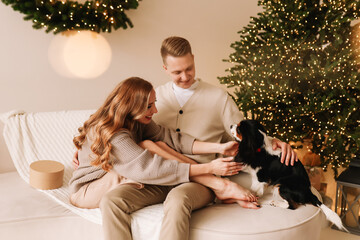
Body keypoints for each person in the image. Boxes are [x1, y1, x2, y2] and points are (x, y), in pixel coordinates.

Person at [69, 77, 258, 240]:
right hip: (90, 188)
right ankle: (218, 186)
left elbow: (171, 139)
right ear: (131, 106)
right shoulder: (116, 135)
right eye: (149, 106)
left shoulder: (137, 121)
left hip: (149, 173)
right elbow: (148, 169)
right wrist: (209, 169)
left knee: (154, 146)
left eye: (154, 103)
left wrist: (219, 147)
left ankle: (217, 186)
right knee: (146, 151)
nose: (155, 110)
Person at [154, 36, 298, 165]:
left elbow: (244, 132)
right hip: (162, 173)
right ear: (165, 68)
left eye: (189, 68)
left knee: (178, 197)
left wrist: (273, 142)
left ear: (193, 58)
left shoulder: (218, 97)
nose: (185, 77)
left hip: (201, 176)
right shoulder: (155, 98)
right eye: (177, 72)